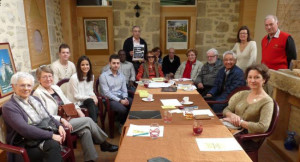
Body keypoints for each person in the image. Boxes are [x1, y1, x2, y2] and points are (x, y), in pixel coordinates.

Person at [33, 66, 118, 162]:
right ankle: (103, 143)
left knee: (85, 130)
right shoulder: (38, 93)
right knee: (88, 120)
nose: (48, 79)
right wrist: (61, 120)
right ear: (39, 79)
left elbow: (67, 101)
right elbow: (45, 115)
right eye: (44, 77)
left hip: (68, 117)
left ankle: (90, 159)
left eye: (50, 76)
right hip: (55, 124)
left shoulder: (55, 87)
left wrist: (78, 110)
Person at [2, 72, 64, 162]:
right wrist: (51, 135)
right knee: (53, 146)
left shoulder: (35, 99)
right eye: (22, 85)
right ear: (13, 87)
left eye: (29, 85)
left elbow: (48, 116)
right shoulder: (9, 107)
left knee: (54, 145)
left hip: (41, 136)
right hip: (25, 144)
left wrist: (59, 125)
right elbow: (25, 129)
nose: (26, 88)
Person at [223, 64, 274, 149]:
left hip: (248, 138)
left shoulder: (267, 102)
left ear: (264, 79)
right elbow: (227, 109)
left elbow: (263, 127)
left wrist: (240, 122)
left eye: (257, 77)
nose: (252, 80)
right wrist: (232, 115)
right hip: (233, 129)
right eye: (250, 77)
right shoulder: (243, 94)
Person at [99, 54, 133, 129]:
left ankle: (127, 123)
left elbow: (124, 89)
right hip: (109, 99)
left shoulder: (122, 76)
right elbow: (106, 93)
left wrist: (125, 98)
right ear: (109, 64)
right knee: (123, 109)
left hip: (121, 96)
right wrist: (120, 101)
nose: (116, 65)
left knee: (133, 104)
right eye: (113, 63)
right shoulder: (103, 76)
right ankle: (121, 124)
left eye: (117, 63)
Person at [66, 55, 98, 123]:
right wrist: (91, 97)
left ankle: (93, 124)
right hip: (76, 103)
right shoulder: (74, 78)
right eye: (82, 65)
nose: (85, 67)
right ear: (79, 66)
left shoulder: (91, 76)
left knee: (92, 104)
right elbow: (76, 96)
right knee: (92, 105)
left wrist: (94, 96)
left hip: (85, 100)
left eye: (87, 64)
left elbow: (90, 91)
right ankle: (94, 124)